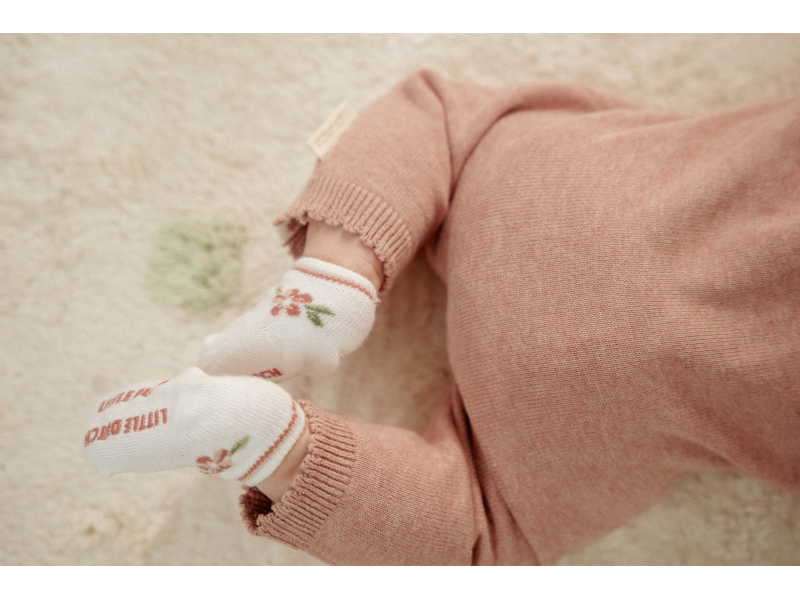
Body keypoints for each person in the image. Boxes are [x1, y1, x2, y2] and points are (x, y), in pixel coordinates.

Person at [80, 70, 800, 565]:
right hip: (622, 403)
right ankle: (270, 445)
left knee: (442, 122)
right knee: (479, 532)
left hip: (563, 181)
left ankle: (330, 283)